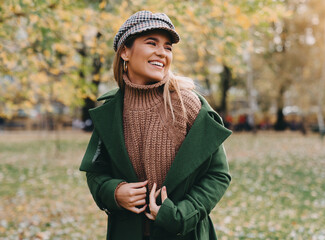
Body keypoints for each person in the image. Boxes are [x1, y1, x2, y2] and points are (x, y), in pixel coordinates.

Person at [79, 10, 232, 240]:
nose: (162, 52)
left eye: (168, 47)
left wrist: (182, 215)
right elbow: (95, 172)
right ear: (124, 52)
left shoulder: (187, 104)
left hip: (186, 234)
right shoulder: (110, 111)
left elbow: (217, 174)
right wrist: (115, 192)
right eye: (151, 43)